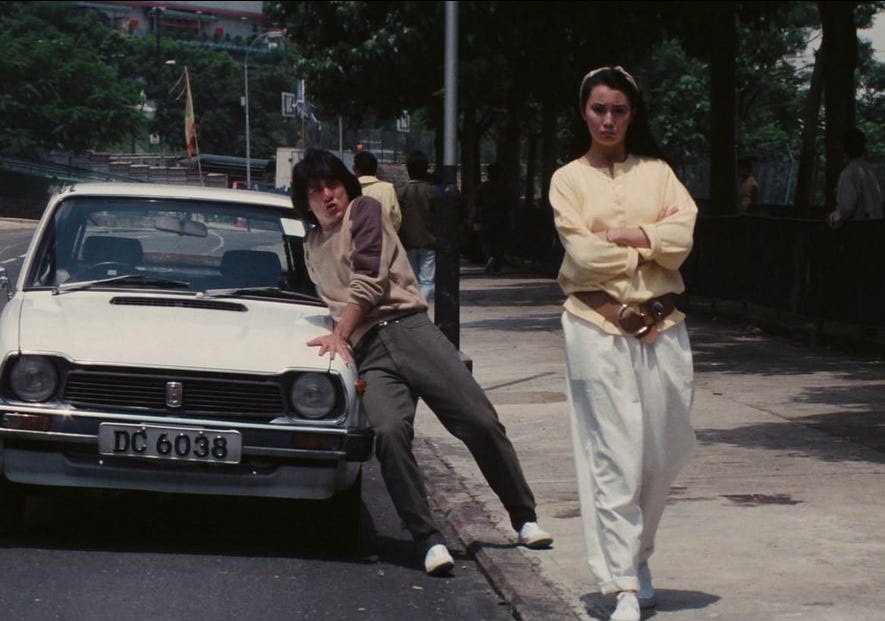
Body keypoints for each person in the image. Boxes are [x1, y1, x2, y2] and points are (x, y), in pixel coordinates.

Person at [291, 148, 554, 577]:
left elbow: (369, 281)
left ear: (347, 186)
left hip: (409, 330)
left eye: (333, 185)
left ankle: (523, 516)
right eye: (316, 191)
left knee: (478, 419)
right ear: (304, 201)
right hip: (369, 351)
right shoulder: (311, 244)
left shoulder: (365, 210)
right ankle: (428, 539)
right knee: (389, 433)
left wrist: (340, 332)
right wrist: (338, 335)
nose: (328, 196)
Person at [548, 66, 698, 621]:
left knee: (662, 452)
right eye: (598, 109)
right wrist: (651, 245)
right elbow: (584, 258)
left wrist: (630, 235)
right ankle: (622, 585)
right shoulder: (567, 178)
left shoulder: (659, 173)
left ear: (633, 113)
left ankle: (639, 557)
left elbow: (683, 236)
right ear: (583, 112)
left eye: (619, 110)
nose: (608, 120)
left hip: (665, 327)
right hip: (597, 327)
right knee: (614, 453)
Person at [396, 151, 438, 305]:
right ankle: (421, 304)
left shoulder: (401, 192)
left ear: (408, 169)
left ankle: (415, 305)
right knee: (427, 281)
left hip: (407, 242)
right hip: (429, 241)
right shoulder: (432, 191)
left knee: (411, 280)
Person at [828, 127, 885, 228]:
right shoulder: (875, 171)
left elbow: (846, 207)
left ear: (845, 149)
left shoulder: (849, 172)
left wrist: (833, 217)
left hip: (858, 232)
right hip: (878, 229)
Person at [473, 162, 516, 273]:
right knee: (499, 240)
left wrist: (472, 217)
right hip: (502, 216)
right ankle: (497, 263)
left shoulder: (483, 187)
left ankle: (489, 257)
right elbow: (511, 204)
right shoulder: (506, 188)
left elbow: (476, 203)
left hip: (486, 216)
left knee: (485, 240)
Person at [353, 150, 402, 231]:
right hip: (383, 239)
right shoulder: (388, 188)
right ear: (375, 169)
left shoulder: (349, 189)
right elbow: (396, 219)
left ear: (355, 169)